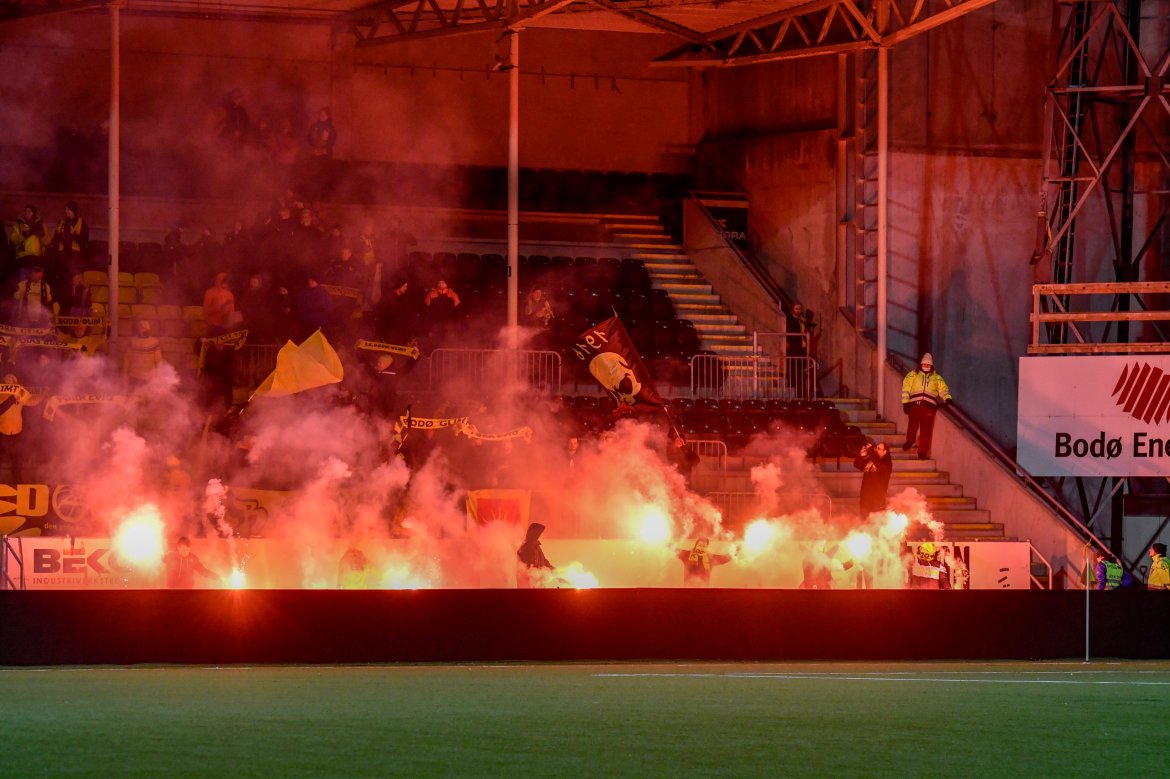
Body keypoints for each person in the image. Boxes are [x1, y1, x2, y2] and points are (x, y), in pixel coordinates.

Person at [901, 352, 952, 460]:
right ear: (921, 364)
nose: (926, 366)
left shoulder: (937, 378)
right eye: (924, 364)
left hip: (929, 408)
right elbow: (906, 388)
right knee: (912, 426)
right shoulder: (912, 374)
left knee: (926, 431)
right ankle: (910, 441)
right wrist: (905, 402)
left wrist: (947, 398)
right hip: (914, 405)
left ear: (931, 365)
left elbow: (943, 389)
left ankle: (922, 452)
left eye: (928, 365)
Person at [853, 440, 893, 517]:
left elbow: (879, 466)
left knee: (876, 522)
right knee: (864, 519)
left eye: (878, 448)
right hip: (865, 495)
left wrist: (870, 451)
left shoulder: (887, 463)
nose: (875, 449)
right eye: (876, 448)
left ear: (885, 451)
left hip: (877, 497)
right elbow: (857, 464)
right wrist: (861, 455)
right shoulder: (872, 460)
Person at [516, 522, 554, 587]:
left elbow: (545, 562)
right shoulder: (529, 548)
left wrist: (555, 571)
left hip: (535, 586)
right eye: (541, 533)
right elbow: (530, 569)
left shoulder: (537, 548)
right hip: (529, 589)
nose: (543, 535)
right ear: (537, 534)